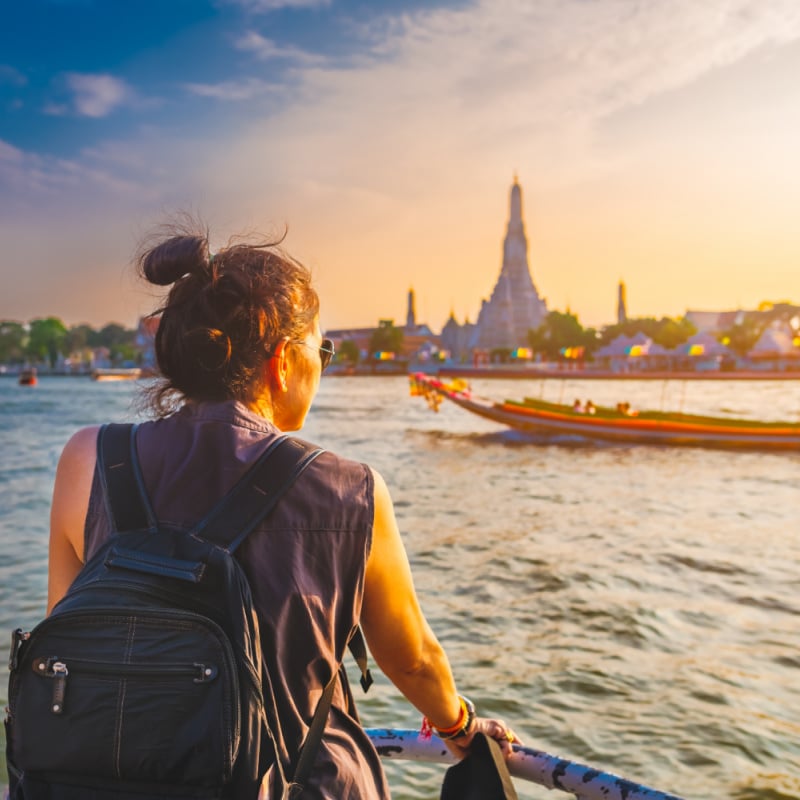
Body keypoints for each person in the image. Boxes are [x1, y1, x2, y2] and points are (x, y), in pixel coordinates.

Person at [47, 223, 520, 799]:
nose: (323, 366)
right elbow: (414, 660)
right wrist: (461, 727)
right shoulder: (351, 489)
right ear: (281, 362)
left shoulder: (87, 459)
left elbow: (67, 632)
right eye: (320, 350)